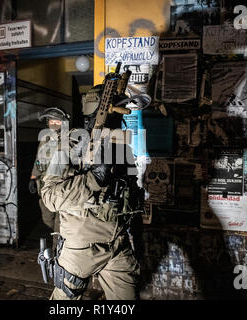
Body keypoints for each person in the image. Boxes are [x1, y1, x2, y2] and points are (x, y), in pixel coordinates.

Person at [40, 84, 143, 300]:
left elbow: (129, 192)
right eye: (115, 109)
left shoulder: (121, 147)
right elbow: (50, 196)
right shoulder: (68, 146)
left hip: (118, 244)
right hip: (82, 246)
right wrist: (93, 179)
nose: (120, 116)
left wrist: (134, 232)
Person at [29, 107, 70, 248]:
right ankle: (53, 250)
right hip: (44, 190)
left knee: (60, 226)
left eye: (56, 121)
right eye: (50, 120)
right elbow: (38, 160)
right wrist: (33, 177)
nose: (53, 123)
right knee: (47, 222)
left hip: (60, 191)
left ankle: (57, 254)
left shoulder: (70, 139)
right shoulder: (45, 138)